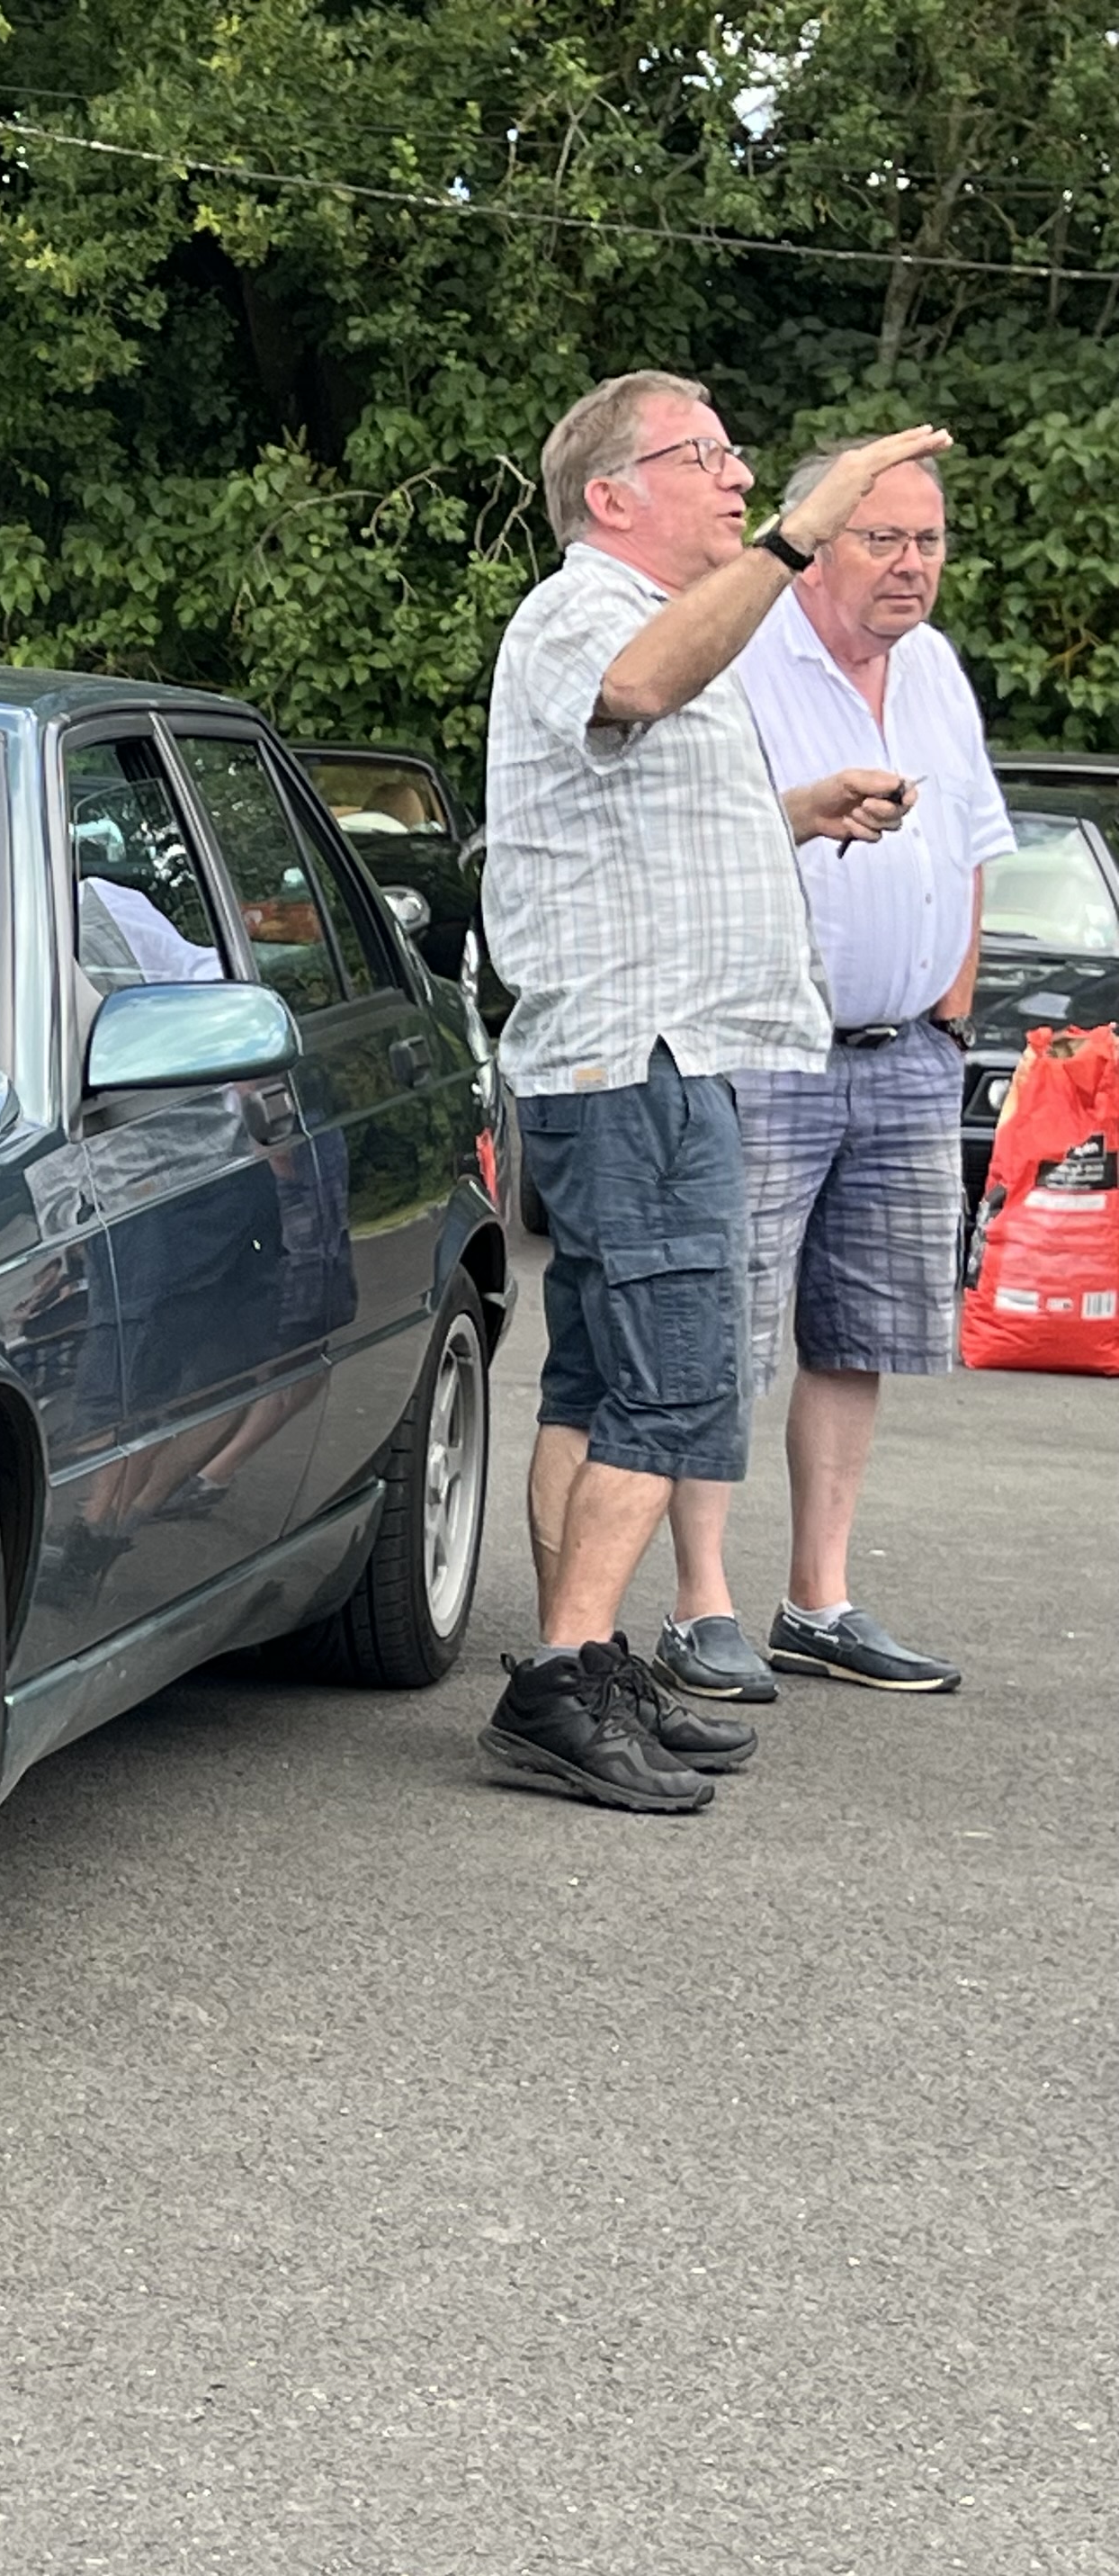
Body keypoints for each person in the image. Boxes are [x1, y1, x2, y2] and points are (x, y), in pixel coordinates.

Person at [476, 372, 946, 1816]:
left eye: (743, 460)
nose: (741, 478)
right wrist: (805, 533)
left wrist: (799, 813)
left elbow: (635, 805)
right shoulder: (586, 611)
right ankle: (562, 1688)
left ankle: (576, 1665)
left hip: (649, 1057)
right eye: (710, 455)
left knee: (598, 1376)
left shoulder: (651, 619)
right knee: (676, 1381)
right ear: (611, 494)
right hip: (642, 1057)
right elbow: (635, 690)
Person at [649, 451, 1007, 1705]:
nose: (913, 565)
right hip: (764, 1048)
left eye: (930, 540)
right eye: (882, 539)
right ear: (815, 545)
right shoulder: (742, 656)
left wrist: (950, 1020)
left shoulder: (938, 668)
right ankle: (701, 1605)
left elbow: (972, 848)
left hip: (905, 1055)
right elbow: (685, 842)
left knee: (859, 1339)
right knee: (722, 1335)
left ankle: (820, 1601)